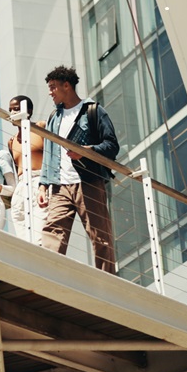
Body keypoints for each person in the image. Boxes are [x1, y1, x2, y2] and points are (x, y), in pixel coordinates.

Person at [37, 66, 119, 273]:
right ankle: (49, 277)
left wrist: (87, 151)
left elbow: (111, 145)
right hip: (59, 186)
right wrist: (43, 185)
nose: (50, 92)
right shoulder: (53, 118)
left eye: (53, 87)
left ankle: (107, 280)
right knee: (51, 231)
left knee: (100, 236)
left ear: (67, 85)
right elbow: (49, 152)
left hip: (88, 182)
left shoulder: (93, 111)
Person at [7, 95, 45, 245]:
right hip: (21, 186)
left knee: (39, 236)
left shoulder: (41, 127)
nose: (13, 113)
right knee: (22, 234)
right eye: (10, 110)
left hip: (39, 181)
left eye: (16, 109)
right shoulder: (12, 140)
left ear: (28, 110)